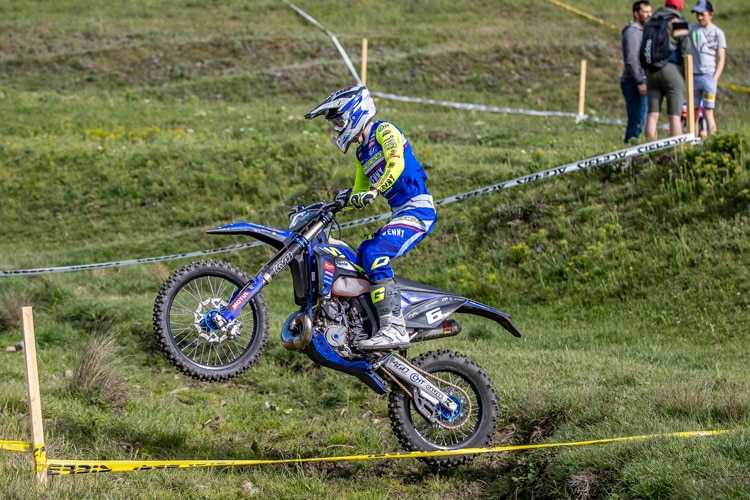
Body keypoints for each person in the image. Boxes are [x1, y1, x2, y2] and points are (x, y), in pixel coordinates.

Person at [305, 86, 436, 351]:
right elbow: (359, 189)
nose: (338, 128)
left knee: (375, 252)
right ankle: (367, 321)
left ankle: (394, 327)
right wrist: (339, 204)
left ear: (355, 112)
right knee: (362, 252)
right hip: (401, 212)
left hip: (418, 210)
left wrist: (375, 191)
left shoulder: (384, 130)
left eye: (339, 121)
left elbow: (396, 163)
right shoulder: (361, 154)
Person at [644, 0, 692, 139]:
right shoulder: (678, 22)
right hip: (672, 70)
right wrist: (686, 75)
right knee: (674, 116)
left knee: (652, 115)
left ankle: (648, 147)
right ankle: (676, 149)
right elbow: (685, 51)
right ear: (680, 6)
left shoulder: (651, 21)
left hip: (651, 71)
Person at [689, 0, 726, 136]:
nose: (699, 18)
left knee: (708, 112)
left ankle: (713, 141)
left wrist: (714, 78)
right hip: (693, 76)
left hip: (709, 76)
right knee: (693, 112)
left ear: (711, 14)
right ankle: (692, 142)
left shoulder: (718, 33)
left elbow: (721, 57)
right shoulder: (692, 28)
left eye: (702, 14)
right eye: (697, 14)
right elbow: (676, 29)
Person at [621, 1, 653, 144]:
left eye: (650, 12)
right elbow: (631, 60)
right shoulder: (633, 32)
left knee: (640, 119)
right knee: (637, 121)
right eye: (645, 12)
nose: (649, 15)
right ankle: (630, 150)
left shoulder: (642, 31)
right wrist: (640, 81)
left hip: (641, 80)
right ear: (636, 13)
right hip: (634, 82)